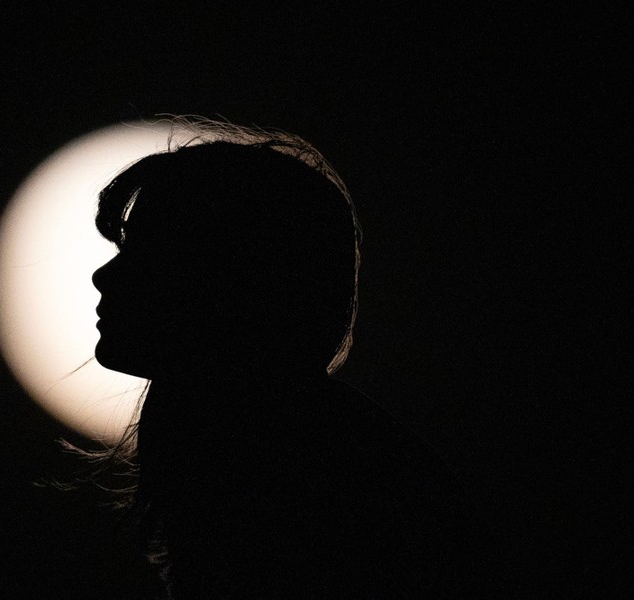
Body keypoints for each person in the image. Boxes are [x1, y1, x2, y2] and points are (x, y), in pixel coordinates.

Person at [90, 117, 511, 597]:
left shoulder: (310, 468)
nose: (104, 276)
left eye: (150, 252)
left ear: (232, 277)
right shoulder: (281, 434)